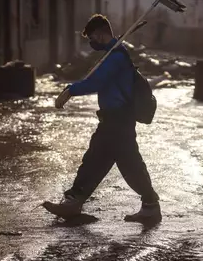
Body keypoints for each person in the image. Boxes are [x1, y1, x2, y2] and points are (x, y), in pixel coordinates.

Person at [42, 14, 161, 224]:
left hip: (119, 120)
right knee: (97, 161)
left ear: (100, 34)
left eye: (92, 38)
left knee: (124, 164)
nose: (91, 43)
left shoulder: (116, 57)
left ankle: (149, 206)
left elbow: (97, 82)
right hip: (112, 120)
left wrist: (70, 91)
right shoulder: (111, 54)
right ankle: (74, 201)